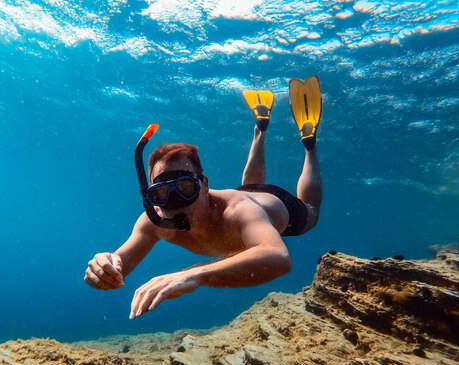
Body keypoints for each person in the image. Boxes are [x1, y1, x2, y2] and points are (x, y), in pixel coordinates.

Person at [85, 76, 323, 320]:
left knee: (311, 211)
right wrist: (103, 267)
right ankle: (260, 128)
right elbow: (118, 267)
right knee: (249, 186)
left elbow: (278, 257)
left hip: (275, 206)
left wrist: (195, 275)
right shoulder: (155, 222)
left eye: (185, 187)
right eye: (162, 193)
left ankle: (309, 144)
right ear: (152, 197)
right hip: (247, 194)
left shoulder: (238, 212)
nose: (175, 203)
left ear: (204, 185)